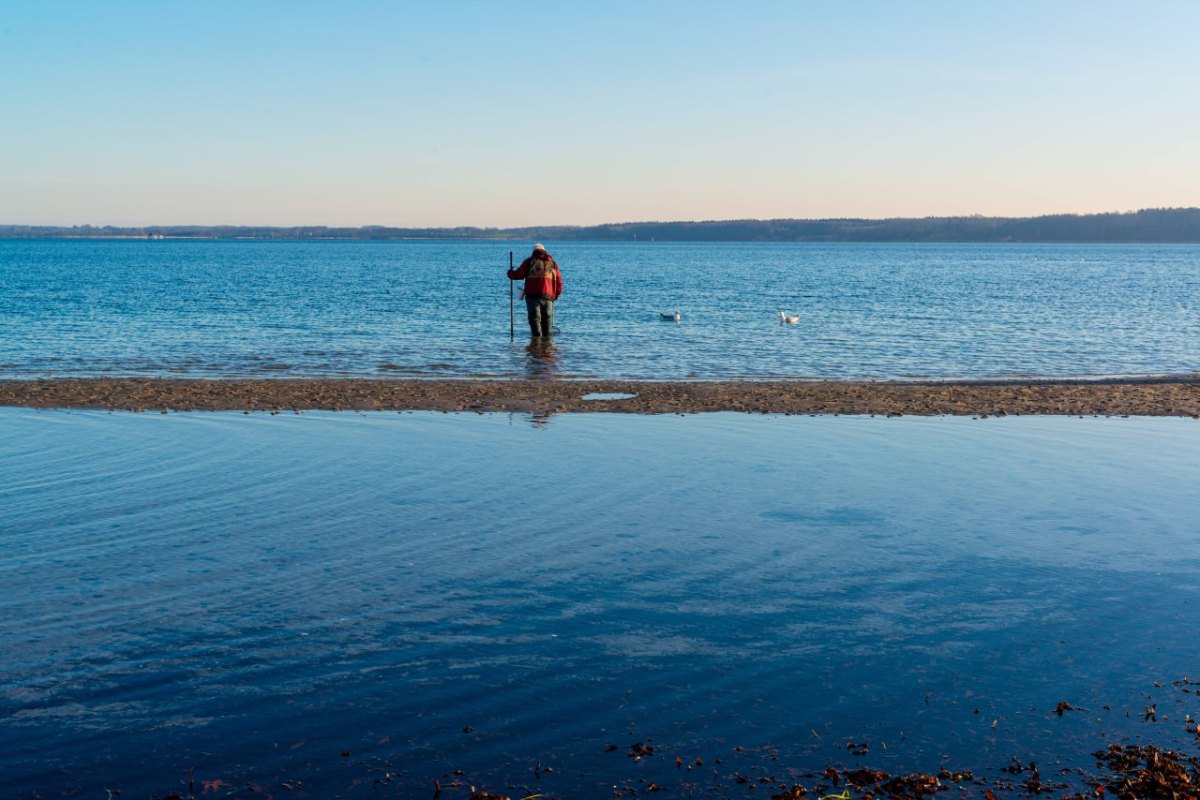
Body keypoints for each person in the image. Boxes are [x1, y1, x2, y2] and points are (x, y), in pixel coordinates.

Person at [507, 243, 563, 337]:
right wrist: (556, 295)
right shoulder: (553, 263)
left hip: (532, 296)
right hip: (549, 297)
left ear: (533, 251)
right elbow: (559, 282)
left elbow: (518, 275)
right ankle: (547, 346)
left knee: (534, 319)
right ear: (544, 251)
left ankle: (535, 344)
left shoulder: (529, 261)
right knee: (547, 320)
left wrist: (510, 272)